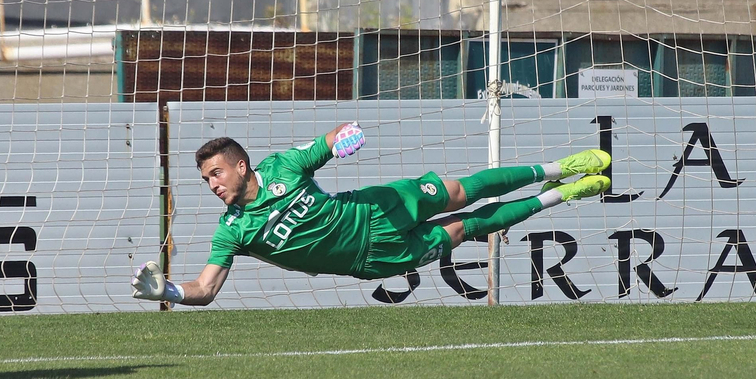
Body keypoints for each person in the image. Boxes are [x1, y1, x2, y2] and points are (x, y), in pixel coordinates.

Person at [132, 122, 612, 305]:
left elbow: (330, 138)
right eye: (205, 180)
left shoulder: (283, 165)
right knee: (466, 228)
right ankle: (560, 197)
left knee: (462, 190)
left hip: (376, 206)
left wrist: (345, 138)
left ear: (242, 166)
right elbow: (206, 288)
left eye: (216, 174)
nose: (212, 185)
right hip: (375, 259)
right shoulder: (233, 231)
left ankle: (558, 167)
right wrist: (169, 289)